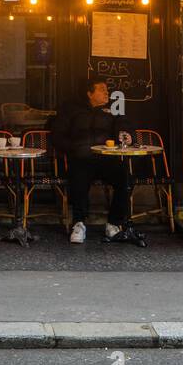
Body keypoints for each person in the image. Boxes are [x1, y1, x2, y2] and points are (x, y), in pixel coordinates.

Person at [51, 76, 131, 244]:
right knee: (78, 177)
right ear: (89, 93)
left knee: (123, 176)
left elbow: (122, 124)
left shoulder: (111, 109)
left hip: (106, 159)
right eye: (102, 90)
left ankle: (114, 224)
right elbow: (57, 136)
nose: (106, 93)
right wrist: (75, 148)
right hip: (82, 158)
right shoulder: (71, 110)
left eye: (106, 90)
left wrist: (125, 134)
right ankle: (79, 223)